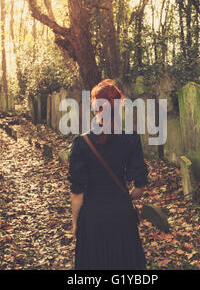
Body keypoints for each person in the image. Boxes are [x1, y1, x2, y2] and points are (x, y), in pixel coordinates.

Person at [68, 79, 148, 270]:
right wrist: (125, 197)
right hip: (122, 216)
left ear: (96, 109)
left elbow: (77, 191)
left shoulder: (82, 143)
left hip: (93, 218)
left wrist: (75, 222)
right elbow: (139, 187)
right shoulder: (131, 139)